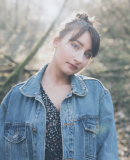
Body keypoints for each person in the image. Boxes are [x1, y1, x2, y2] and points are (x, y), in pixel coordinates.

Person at [0, 12, 119, 160]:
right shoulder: (17, 97)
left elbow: (108, 154)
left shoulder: (97, 94)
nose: (79, 59)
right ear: (56, 41)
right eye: (75, 46)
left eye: (87, 54)